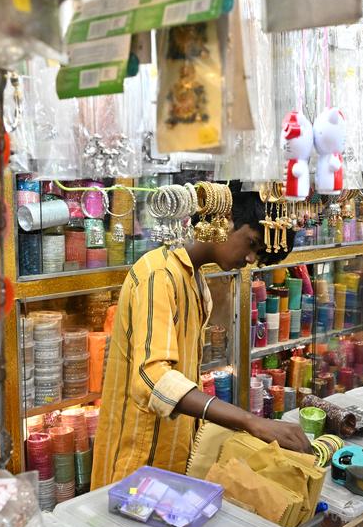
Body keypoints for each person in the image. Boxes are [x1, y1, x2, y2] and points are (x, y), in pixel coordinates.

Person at [91, 190, 311, 488]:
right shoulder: (158, 275)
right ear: (226, 220)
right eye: (251, 244)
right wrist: (250, 421)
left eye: (257, 255)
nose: (249, 259)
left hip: (170, 458)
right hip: (136, 461)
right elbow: (152, 377)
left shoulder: (194, 280)